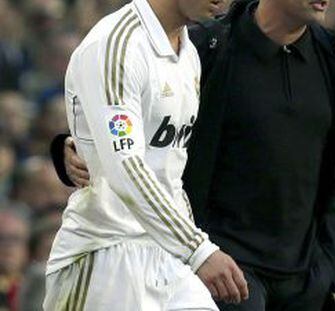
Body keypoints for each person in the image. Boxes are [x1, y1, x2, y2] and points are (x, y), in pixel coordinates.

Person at [53, 0, 335, 309]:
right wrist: (76, 147)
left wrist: (327, 270)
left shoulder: (187, 53)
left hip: (191, 253)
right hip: (120, 248)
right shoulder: (205, 45)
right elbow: (121, 150)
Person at [44, 0, 249, 310]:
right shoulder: (116, 44)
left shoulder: (188, 52)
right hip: (107, 251)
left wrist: (187, 245)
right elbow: (125, 166)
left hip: (170, 251)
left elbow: (168, 164)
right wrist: (198, 250)